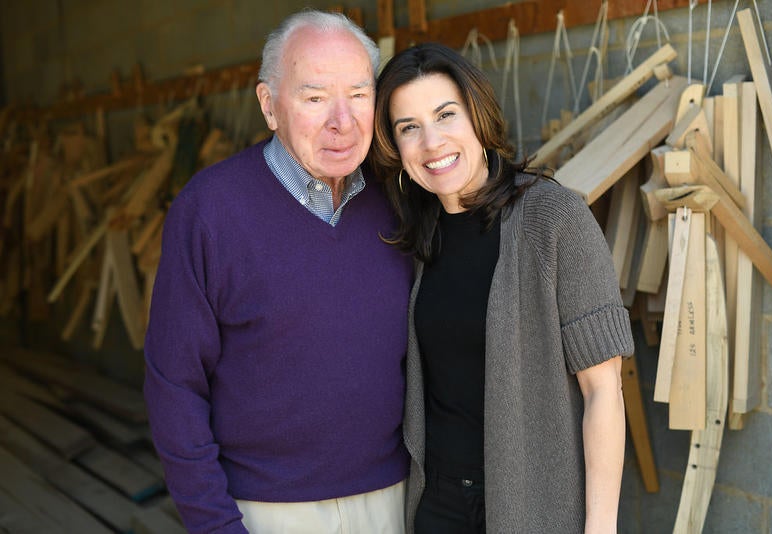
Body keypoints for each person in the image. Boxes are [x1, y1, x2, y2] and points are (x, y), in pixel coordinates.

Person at [143, 10, 413, 534]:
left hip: (394, 502)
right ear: (269, 106)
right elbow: (173, 384)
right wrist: (215, 524)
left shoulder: (402, 203)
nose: (343, 120)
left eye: (359, 94)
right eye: (314, 98)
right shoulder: (210, 211)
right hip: (264, 511)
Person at [368, 42, 635, 534]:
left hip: (534, 510)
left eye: (446, 115)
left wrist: (601, 528)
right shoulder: (413, 240)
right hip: (438, 507)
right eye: (409, 128)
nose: (432, 142)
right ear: (395, 148)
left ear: (478, 117)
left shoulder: (554, 219)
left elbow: (603, 392)